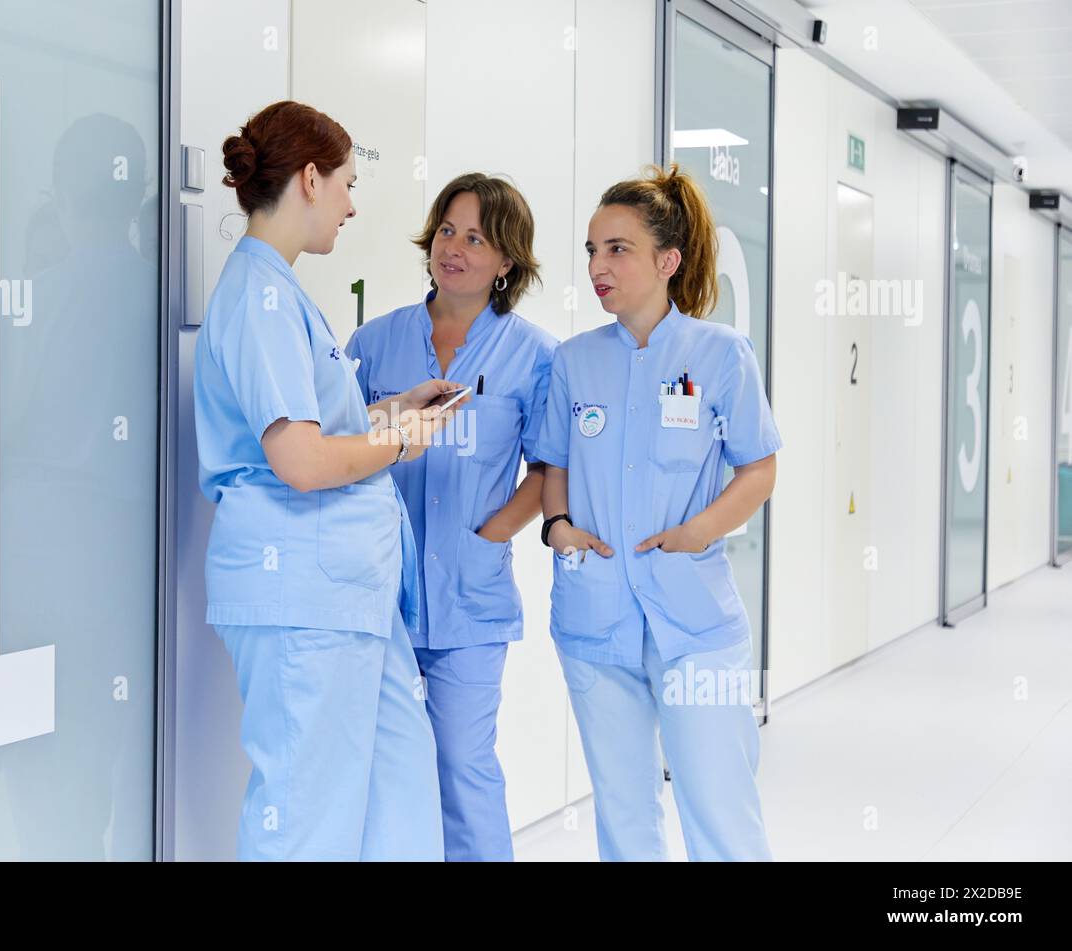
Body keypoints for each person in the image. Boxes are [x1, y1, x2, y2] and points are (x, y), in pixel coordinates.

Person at [193, 100, 466, 861]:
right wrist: (398, 442)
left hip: (347, 592)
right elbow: (301, 460)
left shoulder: (281, 293)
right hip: (304, 590)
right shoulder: (260, 297)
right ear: (309, 179)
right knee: (306, 815)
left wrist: (388, 411)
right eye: (345, 183)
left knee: (398, 790)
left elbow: (309, 425)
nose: (351, 204)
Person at [534, 164, 780, 861]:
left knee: (719, 807)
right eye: (590, 250)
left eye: (617, 249)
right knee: (623, 810)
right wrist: (557, 528)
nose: (597, 266)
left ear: (667, 261)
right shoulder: (575, 361)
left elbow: (759, 466)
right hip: (595, 616)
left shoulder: (721, 354)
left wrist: (703, 529)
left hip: (692, 618)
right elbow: (554, 463)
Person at [347, 173, 556, 861]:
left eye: (476, 237)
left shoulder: (533, 356)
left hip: (470, 599)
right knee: (385, 771)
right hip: (381, 590)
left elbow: (553, 467)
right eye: (446, 230)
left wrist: (492, 532)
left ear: (506, 261)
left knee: (463, 766)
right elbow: (335, 445)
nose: (454, 248)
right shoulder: (374, 342)